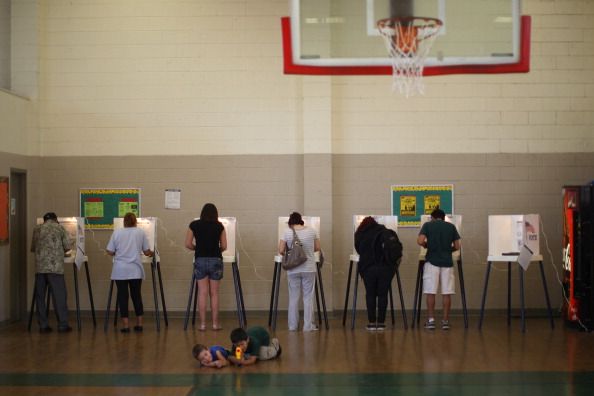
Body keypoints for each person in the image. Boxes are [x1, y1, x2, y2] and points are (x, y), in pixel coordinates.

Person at [106, 212, 153, 333]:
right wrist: (152, 252)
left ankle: (126, 326)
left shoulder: (117, 232)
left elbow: (110, 251)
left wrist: (119, 253)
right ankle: (139, 324)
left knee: (123, 297)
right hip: (135, 270)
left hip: (120, 270)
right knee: (136, 296)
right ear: (135, 222)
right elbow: (147, 251)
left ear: (124, 222)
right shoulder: (140, 232)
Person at [417, 208, 461, 330]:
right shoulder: (451, 226)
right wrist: (448, 250)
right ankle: (445, 321)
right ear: (443, 217)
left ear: (432, 217)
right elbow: (457, 246)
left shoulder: (428, 225)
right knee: (446, 292)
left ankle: (431, 321)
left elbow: (420, 241)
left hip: (432, 262)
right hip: (447, 262)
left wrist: (427, 245)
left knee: (431, 291)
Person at [185, 203, 227, 331]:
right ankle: (215, 324)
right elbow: (224, 246)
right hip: (216, 259)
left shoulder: (194, 225)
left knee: (202, 293)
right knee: (214, 293)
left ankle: (203, 325)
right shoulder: (219, 226)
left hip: (200, 260)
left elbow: (187, 244)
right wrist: (216, 250)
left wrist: (197, 248)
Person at [354, 216, 400, 331]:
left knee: (370, 294)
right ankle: (381, 323)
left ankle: (371, 322)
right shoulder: (386, 232)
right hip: (386, 268)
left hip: (368, 267)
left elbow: (358, 249)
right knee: (383, 294)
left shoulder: (360, 234)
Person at [278, 212, 320, 332]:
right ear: (301, 220)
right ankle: (308, 326)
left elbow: (281, 250)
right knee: (308, 298)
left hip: (293, 269)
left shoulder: (287, 232)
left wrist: (291, 252)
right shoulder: (312, 231)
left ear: (290, 222)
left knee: (293, 297)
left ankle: (292, 326)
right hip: (309, 268)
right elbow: (317, 247)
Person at [31, 212, 72, 333]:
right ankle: (63, 324)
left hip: (40, 269)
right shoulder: (59, 228)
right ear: (56, 219)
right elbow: (67, 247)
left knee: (40, 297)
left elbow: (33, 248)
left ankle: (43, 325)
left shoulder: (37, 229)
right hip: (55, 269)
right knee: (59, 296)